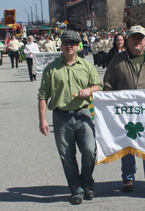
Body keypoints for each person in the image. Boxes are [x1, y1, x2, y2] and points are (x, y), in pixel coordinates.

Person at [103, 25, 145, 199]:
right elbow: (108, 86)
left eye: (140, 38)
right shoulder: (117, 61)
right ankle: (128, 178)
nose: (137, 41)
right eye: (134, 38)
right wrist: (109, 109)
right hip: (125, 114)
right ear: (128, 40)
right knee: (128, 146)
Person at [38, 31, 102, 205]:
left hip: (83, 114)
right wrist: (42, 120)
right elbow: (43, 95)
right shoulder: (51, 69)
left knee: (90, 150)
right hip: (61, 117)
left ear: (78, 46)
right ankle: (76, 190)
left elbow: (99, 86)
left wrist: (89, 90)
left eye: (73, 43)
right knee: (67, 157)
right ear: (61, 45)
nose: (69, 46)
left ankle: (87, 182)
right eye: (66, 43)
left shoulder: (86, 66)